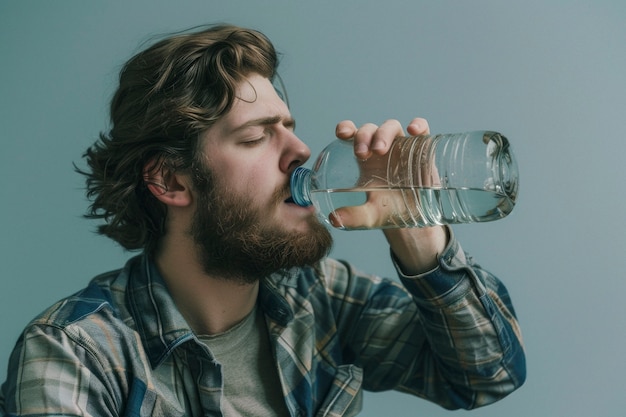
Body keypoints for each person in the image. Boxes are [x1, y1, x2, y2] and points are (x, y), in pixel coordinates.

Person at [0, 24, 525, 416]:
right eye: (255, 137)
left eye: (290, 127)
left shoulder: (315, 296)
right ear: (171, 182)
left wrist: (419, 231)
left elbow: (487, 377)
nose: (300, 150)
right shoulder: (74, 352)